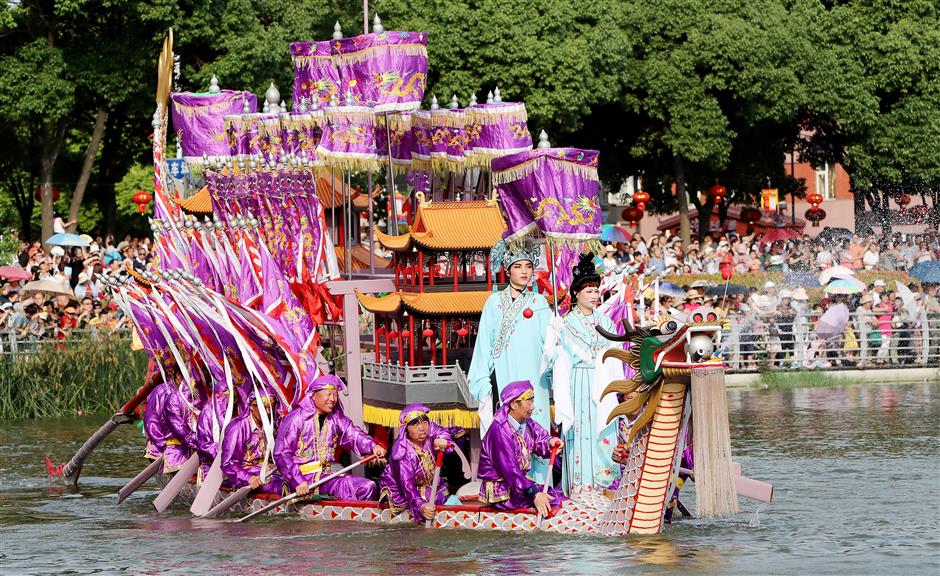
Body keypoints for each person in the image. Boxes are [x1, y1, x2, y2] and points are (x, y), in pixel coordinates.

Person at [545, 253, 620, 494]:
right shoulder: (564, 324)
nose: (594, 295)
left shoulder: (607, 323)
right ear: (576, 294)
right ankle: (579, 486)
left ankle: (605, 484)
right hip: (577, 382)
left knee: (605, 431)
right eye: (588, 291)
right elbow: (553, 360)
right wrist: (554, 339)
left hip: (602, 382)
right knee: (580, 431)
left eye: (596, 290)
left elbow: (615, 355)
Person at [468, 238, 551, 436]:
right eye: (518, 266)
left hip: (535, 379)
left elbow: (550, 347)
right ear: (507, 270)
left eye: (529, 266)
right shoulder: (494, 303)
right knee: (508, 440)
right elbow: (483, 346)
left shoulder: (539, 302)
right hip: (505, 377)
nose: (524, 271)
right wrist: (482, 382)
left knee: (536, 435)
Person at [274, 374, 387, 500]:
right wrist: (297, 480)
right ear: (314, 394)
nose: (333, 399)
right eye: (328, 394)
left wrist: (373, 446)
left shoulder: (335, 418)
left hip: (326, 476)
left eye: (335, 395)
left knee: (367, 486)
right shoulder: (296, 418)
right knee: (365, 487)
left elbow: (353, 433)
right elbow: (281, 453)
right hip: (303, 480)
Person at [478, 380, 564, 517]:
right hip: (502, 492)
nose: (532, 407)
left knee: (553, 495)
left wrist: (551, 442)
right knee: (550, 498)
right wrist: (533, 493)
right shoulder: (499, 430)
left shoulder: (527, 422)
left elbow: (540, 439)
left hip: (517, 485)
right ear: (513, 404)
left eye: (532, 402)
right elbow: (511, 471)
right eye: (529, 402)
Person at [378, 403, 454, 522]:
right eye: (415, 424)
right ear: (406, 430)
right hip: (403, 488)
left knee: (440, 496)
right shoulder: (402, 452)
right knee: (427, 502)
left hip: (427, 483)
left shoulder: (428, 430)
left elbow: (441, 431)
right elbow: (408, 486)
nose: (422, 428)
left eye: (424, 422)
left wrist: (442, 439)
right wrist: (422, 506)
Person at [220, 389, 283, 493]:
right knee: (278, 485)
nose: (267, 412)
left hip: (267, 470)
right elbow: (228, 463)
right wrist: (248, 478)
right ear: (251, 406)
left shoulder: (272, 424)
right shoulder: (237, 427)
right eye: (263, 408)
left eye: (270, 408)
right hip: (245, 474)